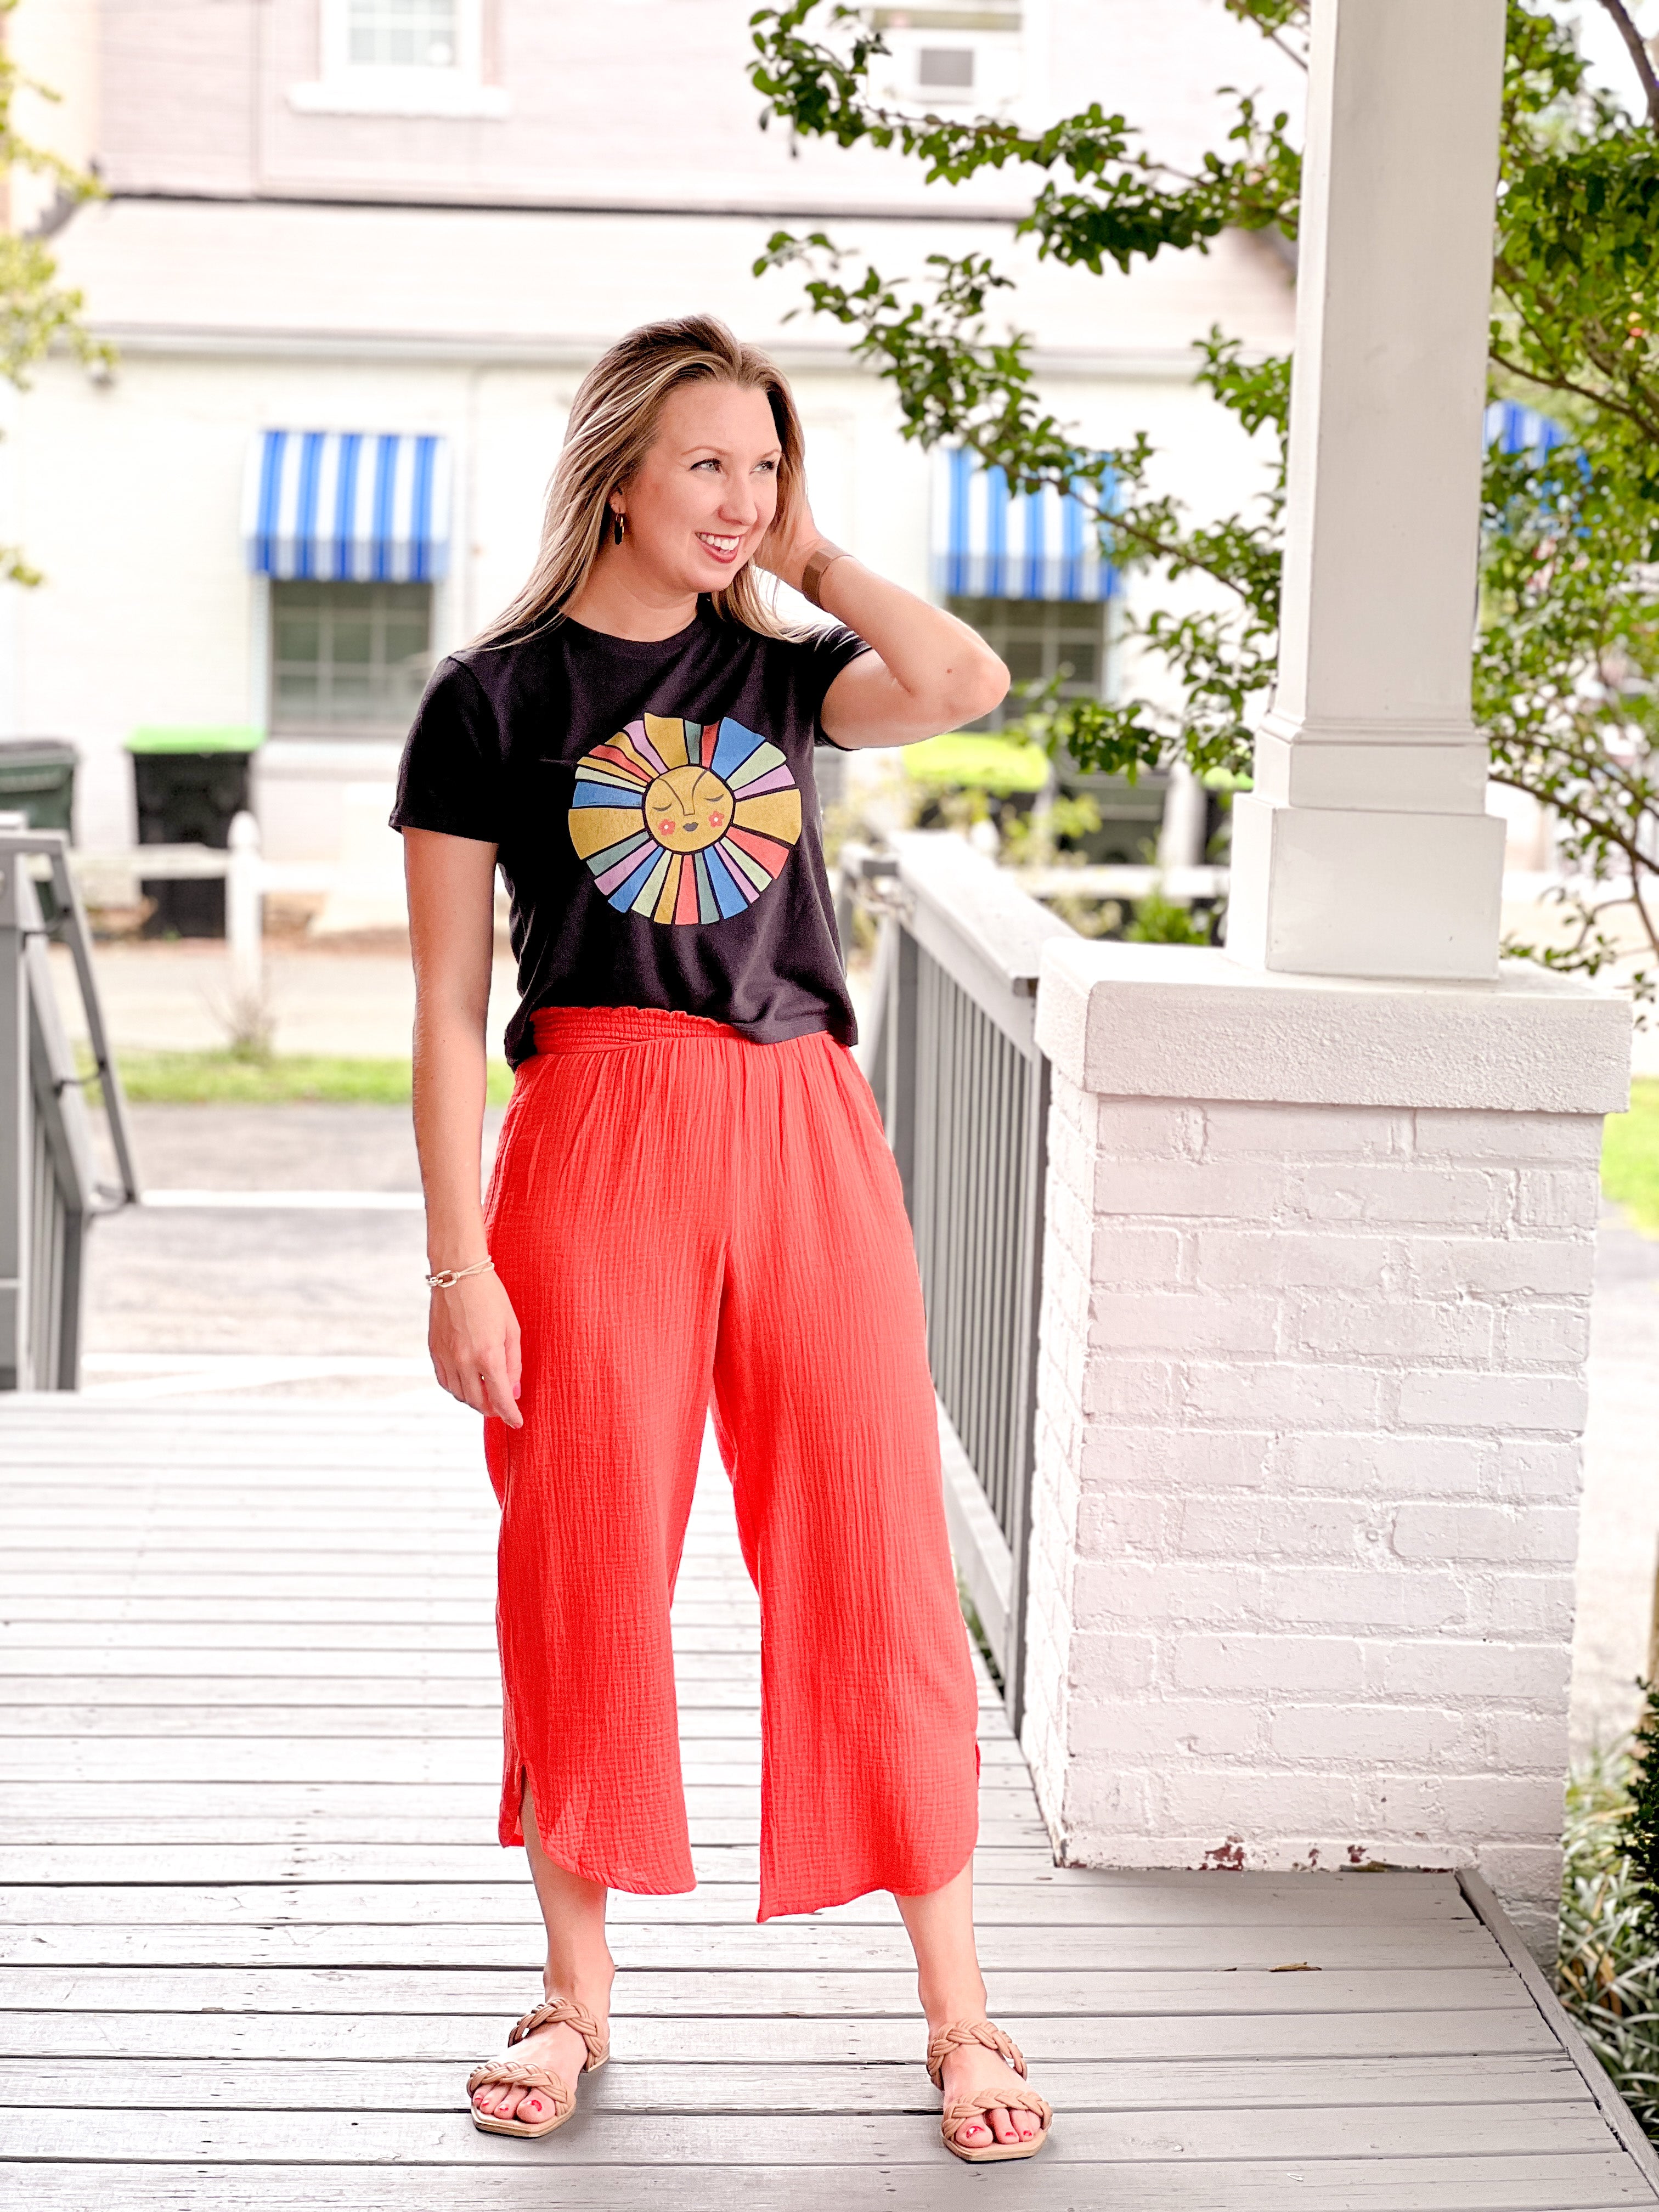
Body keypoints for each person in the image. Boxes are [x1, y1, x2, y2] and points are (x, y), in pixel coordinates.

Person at [393, 313, 1053, 2166]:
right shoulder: (489, 701)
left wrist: (813, 558)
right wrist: (458, 1262)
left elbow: (965, 679)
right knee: (584, 1556)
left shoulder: (782, 667)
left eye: (766, 464)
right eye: (708, 462)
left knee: (874, 1547)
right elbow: (442, 1008)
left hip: (804, 1126)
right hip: (595, 1133)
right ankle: (573, 1993)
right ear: (618, 473)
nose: (742, 495)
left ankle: (961, 2009)